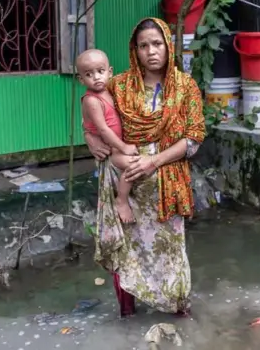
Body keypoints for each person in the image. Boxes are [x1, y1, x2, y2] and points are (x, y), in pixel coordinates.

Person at [84, 17, 206, 318]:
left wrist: (154, 161)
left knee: (171, 253)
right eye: (143, 45)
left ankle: (179, 313)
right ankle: (127, 314)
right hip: (123, 181)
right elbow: (93, 112)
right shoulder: (118, 85)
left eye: (157, 43)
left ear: (168, 45)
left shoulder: (185, 87)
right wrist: (90, 141)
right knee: (126, 251)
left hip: (166, 183)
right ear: (134, 50)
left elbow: (194, 139)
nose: (151, 51)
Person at [77, 49, 139, 224]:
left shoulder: (111, 90)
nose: (96, 77)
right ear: (81, 80)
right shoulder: (91, 100)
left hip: (118, 144)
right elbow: (103, 130)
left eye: (100, 71)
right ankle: (122, 200)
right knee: (133, 166)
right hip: (112, 150)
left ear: (110, 72)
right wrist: (123, 147)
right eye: (89, 74)